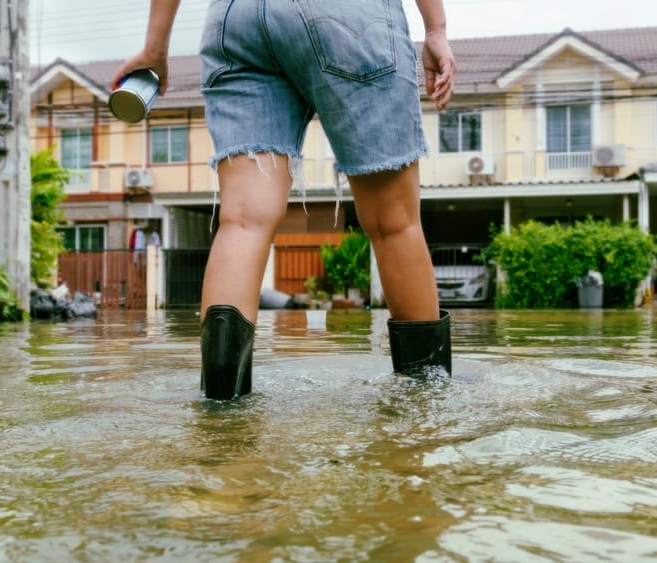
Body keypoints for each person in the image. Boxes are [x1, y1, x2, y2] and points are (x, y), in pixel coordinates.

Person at [113, 0, 456, 400]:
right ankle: (427, 408)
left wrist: (155, 49)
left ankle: (222, 419)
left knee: (241, 222)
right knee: (394, 224)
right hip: (349, 17)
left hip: (236, 22)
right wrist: (436, 29)